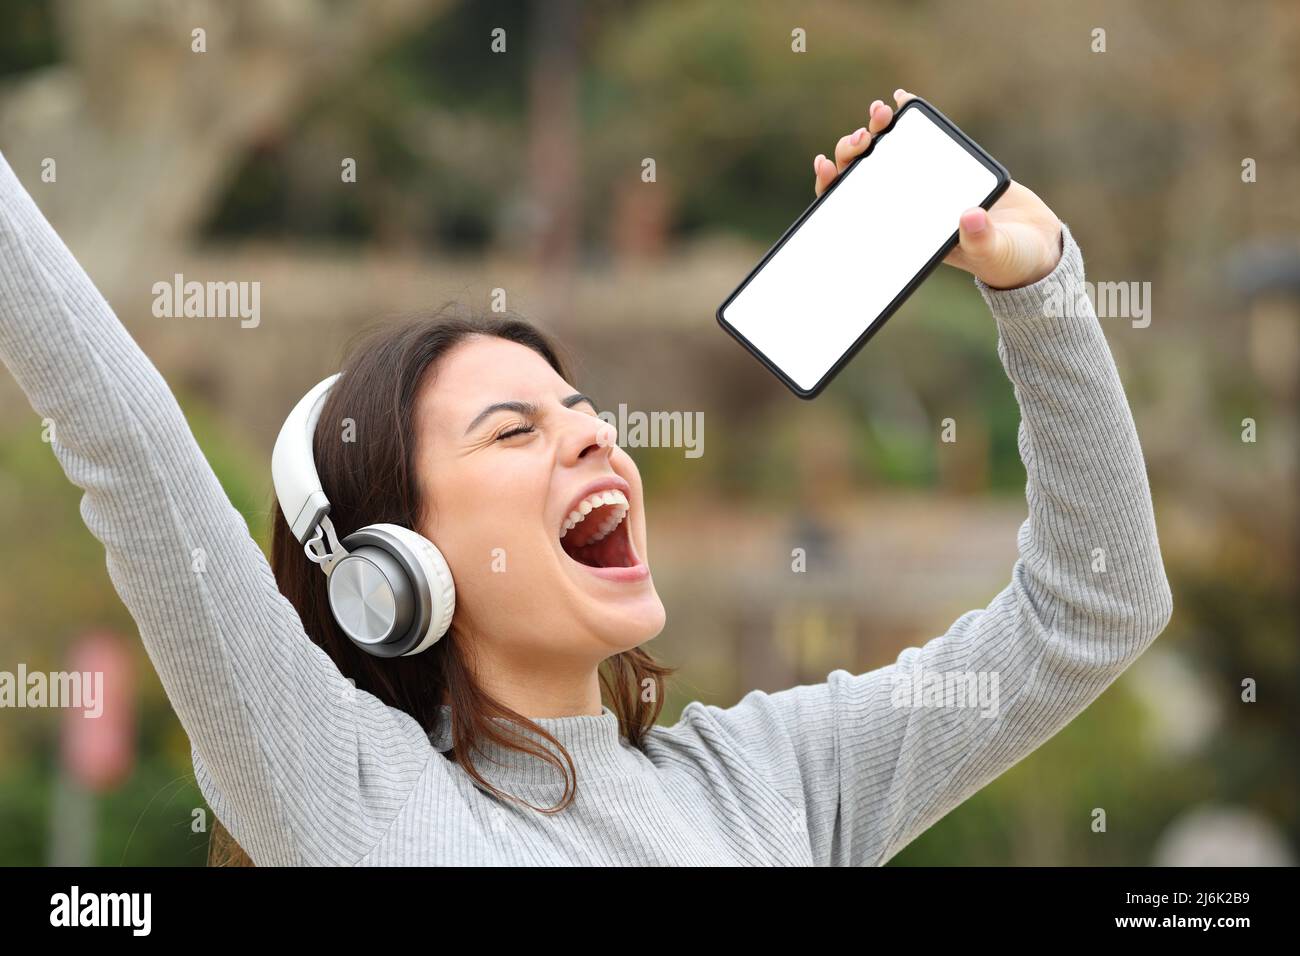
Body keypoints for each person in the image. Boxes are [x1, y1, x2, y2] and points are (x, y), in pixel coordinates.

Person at [0, 90, 1172, 866]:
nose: (594, 440)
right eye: (511, 433)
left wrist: (1040, 289)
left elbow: (1093, 607)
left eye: (585, 413)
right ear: (392, 571)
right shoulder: (350, 793)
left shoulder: (773, 778)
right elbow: (128, 441)